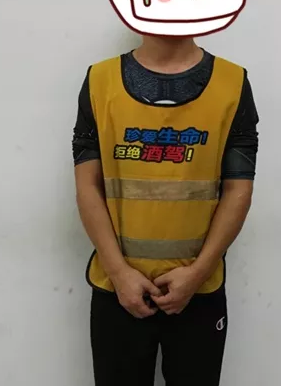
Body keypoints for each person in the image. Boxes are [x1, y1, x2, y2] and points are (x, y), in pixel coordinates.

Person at [72, 35, 259, 386]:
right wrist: (120, 273)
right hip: (117, 289)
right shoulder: (100, 80)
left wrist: (197, 273)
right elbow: (87, 186)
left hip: (199, 290)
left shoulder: (232, 82)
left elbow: (238, 189)